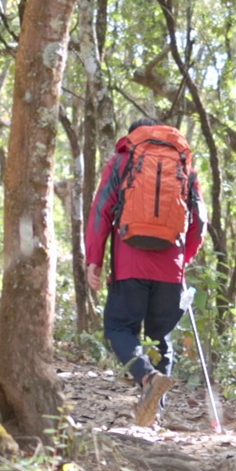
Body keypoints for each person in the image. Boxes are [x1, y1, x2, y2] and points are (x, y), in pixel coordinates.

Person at [86, 117, 206, 427]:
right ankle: (155, 412)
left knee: (118, 327)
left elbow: (102, 209)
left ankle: (146, 377)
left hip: (130, 263)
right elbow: (199, 220)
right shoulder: (183, 166)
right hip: (171, 266)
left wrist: (94, 259)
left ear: (134, 135)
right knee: (160, 337)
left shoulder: (123, 160)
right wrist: (185, 257)